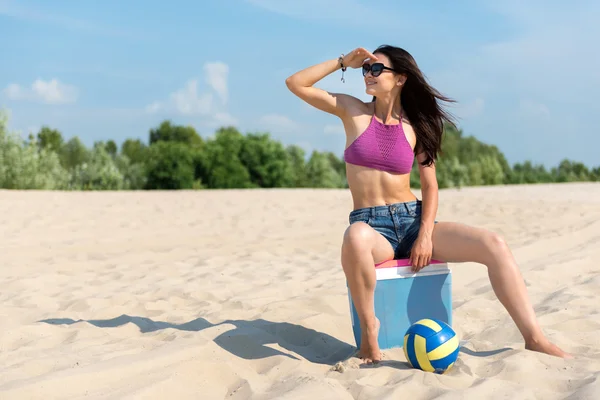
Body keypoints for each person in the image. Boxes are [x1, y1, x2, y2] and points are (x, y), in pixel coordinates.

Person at [285, 45, 571, 363]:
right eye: (366, 69)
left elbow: (430, 186)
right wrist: (342, 62)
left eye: (377, 69)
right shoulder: (352, 111)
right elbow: (296, 83)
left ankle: (534, 337)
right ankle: (369, 332)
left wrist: (424, 234)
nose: (368, 74)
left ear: (401, 79)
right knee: (354, 237)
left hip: (412, 221)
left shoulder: (417, 124)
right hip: (371, 227)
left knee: (494, 243)